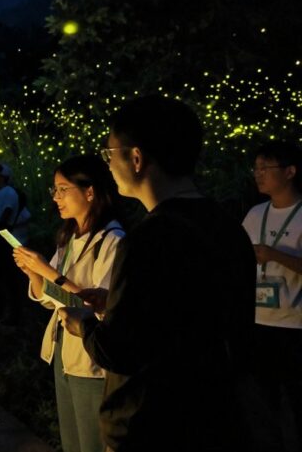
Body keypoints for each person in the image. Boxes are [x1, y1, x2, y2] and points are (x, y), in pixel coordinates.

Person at [59, 96, 255, 452]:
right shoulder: (228, 226)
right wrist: (115, 303)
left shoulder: (149, 238)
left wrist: (84, 324)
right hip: (216, 417)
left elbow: (120, 350)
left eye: (109, 154)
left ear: (136, 158)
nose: (108, 165)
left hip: (152, 424)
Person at [13, 155, 123, 452]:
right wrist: (33, 273)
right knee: (72, 440)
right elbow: (50, 298)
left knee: (92, 441)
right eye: (54, 190)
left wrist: (47, 271)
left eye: (63, 189)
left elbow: (98, 303)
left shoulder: (112, 240)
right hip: (64, 349)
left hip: (91, 355)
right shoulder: (70, 237)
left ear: (90, 192)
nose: (56, 197)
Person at [242, 140, 302, 451]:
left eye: (266, 167)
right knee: (261, 408)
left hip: (294, 326)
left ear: (290, 172)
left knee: (294, 406)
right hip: (258, 322)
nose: (258, 173)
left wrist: (275, 255)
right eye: (256, 168)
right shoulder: (254, 214)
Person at [0, 163, 28, 324]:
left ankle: (13, 315)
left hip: (4, 238)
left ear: (2, 175)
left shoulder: (9, 193)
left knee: (8, 277)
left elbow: (5, 216)